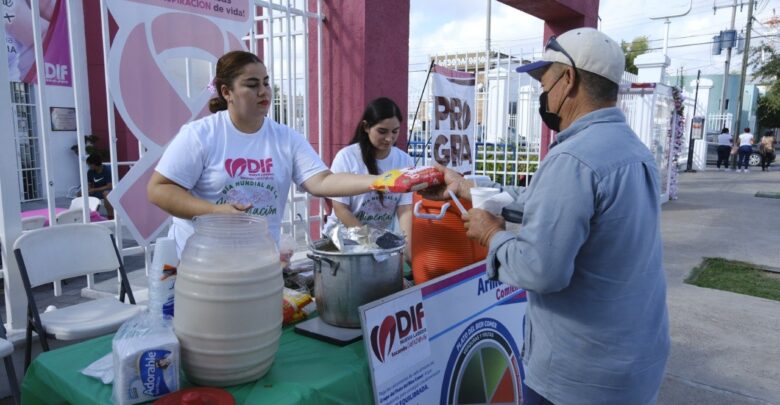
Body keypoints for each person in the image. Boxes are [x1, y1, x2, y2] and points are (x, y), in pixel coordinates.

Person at [423, 28, 669, 404]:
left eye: (544, 80)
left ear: (568, 79)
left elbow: (541, 271)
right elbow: (547, 204)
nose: (542, 93)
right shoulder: (631, 149)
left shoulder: (574, 158)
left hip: (581, 374)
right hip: (635, 360)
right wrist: (469, 189)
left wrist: (492, 235)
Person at [148, 51, 382, 256]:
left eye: (266, 83)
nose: (263, 91)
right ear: (227, 92)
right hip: (206, 263)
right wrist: (215, 212)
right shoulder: (200, 134)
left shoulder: (286, 138)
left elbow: (322, 181)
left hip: (261, 261)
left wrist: (382, 181)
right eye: (252, 85)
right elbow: (159, 189)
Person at [324, 97, 413, 254]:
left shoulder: (404, 160)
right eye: (382, 131)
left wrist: (407, 250)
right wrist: (368, 242)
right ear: (366, 127)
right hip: (342, 241)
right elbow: (340, 208)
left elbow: (405, 209)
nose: (389, 138)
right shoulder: (347, 157)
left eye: (395, 131)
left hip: (378, 244)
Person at [86, 154, 114, 219]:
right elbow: (89, 184)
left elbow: (109, 186)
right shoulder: (90, 172)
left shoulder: (107, 170)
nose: (88, 166)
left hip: (108, 190)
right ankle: (91, 215)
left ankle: (111, 216)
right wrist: (89, 189)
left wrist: (94, 190)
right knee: (80, 193)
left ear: (94, 164)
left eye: (89, 164)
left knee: (106, 194)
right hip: (97, 191)